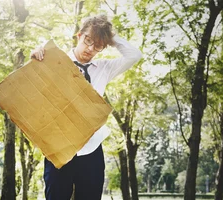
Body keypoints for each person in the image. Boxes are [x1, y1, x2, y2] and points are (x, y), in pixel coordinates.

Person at [30, 14, 142, 200]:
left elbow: (135, 55)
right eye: (88, 40)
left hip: (91, 149)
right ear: (79, 35)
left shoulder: (104, 68)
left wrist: (108, 36)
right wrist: (37, 56)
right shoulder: (53, 60)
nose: (90, 49)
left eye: (98, 46)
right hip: (59, 148)